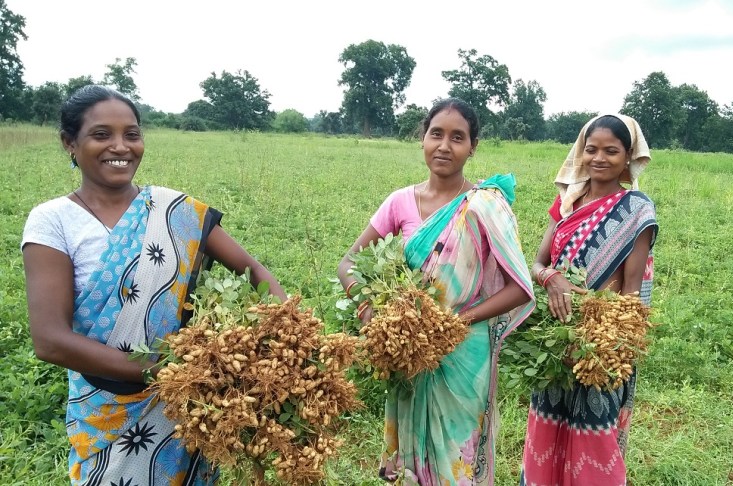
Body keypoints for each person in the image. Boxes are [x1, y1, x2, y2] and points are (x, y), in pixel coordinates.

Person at [21, 85, 288, 485]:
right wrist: (166, 371)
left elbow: (252, 269)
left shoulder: (171, 210)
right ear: (69, 143)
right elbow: (50, 340)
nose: (121, 146)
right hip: (110, 407)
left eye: (132, 134)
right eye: (101, 134)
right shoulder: (53, 221)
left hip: (187, 408)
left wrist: (286, 329)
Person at [337, 97, 535, 485]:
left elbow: (520, 288)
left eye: (457, 137)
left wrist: (453, 323)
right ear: (422, 139)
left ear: (472, 147)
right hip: (409, 353)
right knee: (412, 459)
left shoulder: (484, 205)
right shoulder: (399, 202)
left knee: (456, 462)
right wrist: (370, 312)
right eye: (436, 134)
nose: (444, 146)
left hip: (463, 350)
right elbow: (348, 263)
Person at [520, 114, 658, 486]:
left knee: (595, 437)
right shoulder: (567, 201)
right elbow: (536, 262)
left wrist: (602, 341)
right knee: (549, 427)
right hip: (556, 336)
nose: (599, 158)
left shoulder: (636, 210)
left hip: (599, 343)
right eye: (591, 149)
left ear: (628, 155)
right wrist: (551, 278)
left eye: (611, 151)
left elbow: (631, 292)